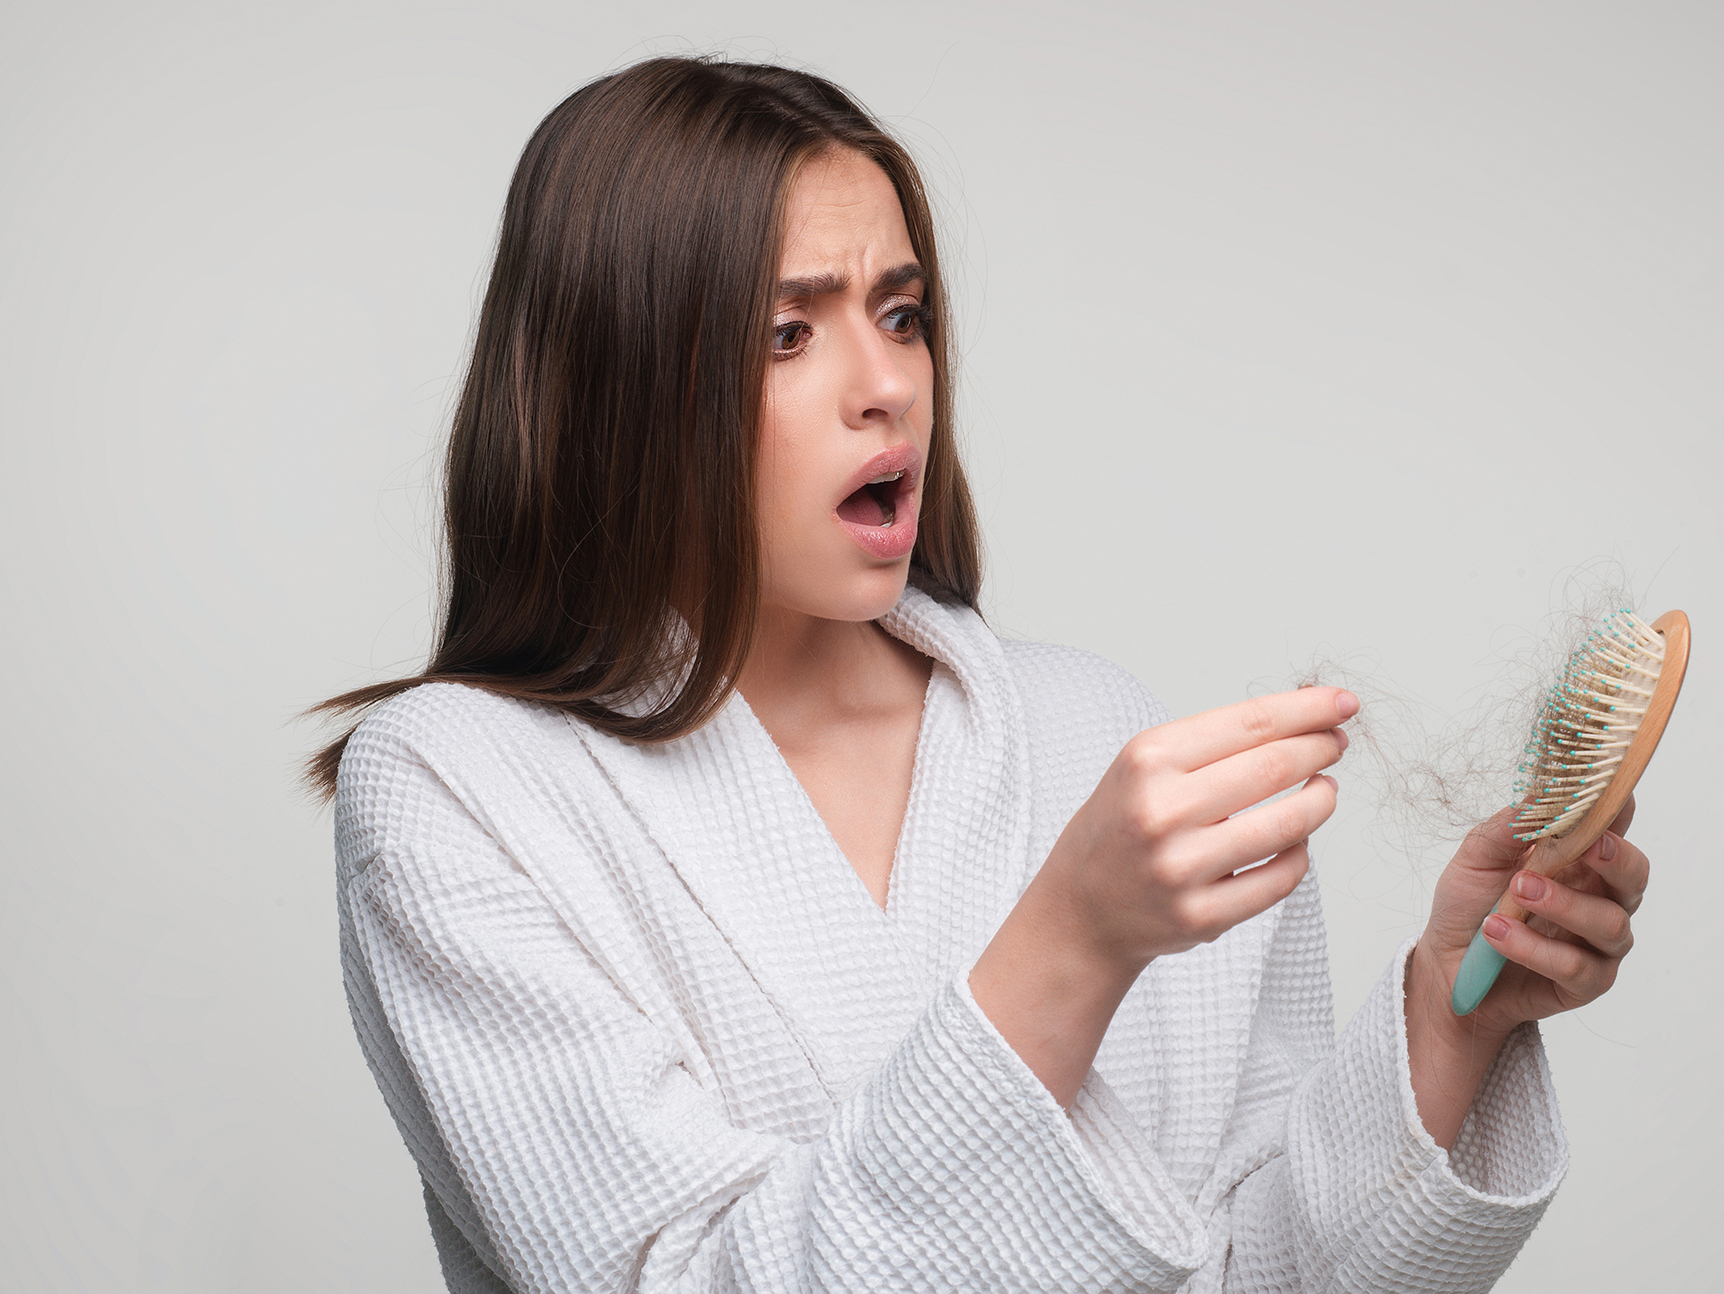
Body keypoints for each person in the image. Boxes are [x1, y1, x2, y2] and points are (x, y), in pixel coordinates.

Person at [312, 56, 1650, 1294]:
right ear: (620, 385)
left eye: (904, 314)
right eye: (790, 335)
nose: (886, 382)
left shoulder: (1097, 733)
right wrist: (1070, 943)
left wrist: (1448, 1018)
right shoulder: (458, 787)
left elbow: (1255, 1270)